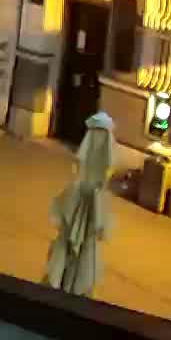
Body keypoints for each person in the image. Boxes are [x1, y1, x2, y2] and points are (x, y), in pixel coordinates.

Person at [44, 111, 114, 297]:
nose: (99, 138)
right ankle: (65, 283)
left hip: (90, 200)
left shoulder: (97, 148)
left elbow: (98, 171)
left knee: (82, 244)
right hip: (82, 197)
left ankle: (69, 284)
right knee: (73, 241)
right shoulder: (103, 148)